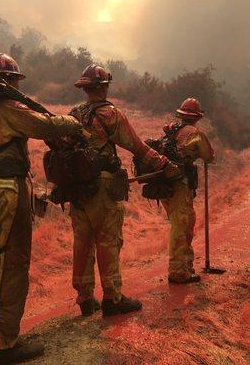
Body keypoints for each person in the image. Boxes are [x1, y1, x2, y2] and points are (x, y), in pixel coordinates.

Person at [0, 53, 83, 364]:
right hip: (6, 192)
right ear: (10, 81)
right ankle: (4, 343)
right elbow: (45, 126)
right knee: (14, 262)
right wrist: (74, 121)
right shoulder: (6, 107)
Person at [69, 64, 180, 317]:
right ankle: (113, 298)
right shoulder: (110, 114)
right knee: (108, 241)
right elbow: (137, 146)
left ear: (85, 87)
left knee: (82, 242)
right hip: (103, 187)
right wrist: (165, 164)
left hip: (77, 190)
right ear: (104, 86)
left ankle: (85, 298)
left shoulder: (74, 113)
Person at [162, 98, 215, 284]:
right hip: (180, 186)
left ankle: (186, 266)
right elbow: (209, 157)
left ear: (182, 115)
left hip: (166, 186)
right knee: (181, 226)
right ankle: (177, 271)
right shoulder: (196, 134)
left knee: (185, 223)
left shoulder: (171, 130)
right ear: (197, 117)